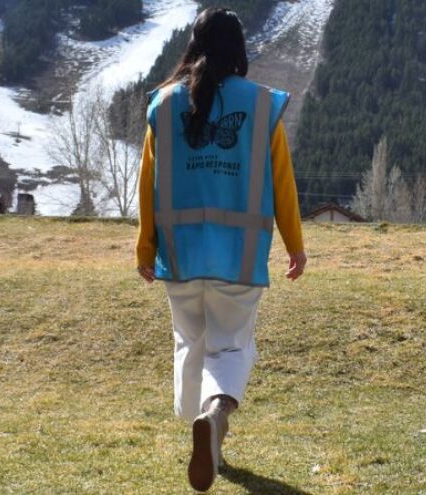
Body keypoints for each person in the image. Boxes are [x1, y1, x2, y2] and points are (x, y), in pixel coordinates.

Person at [134, 7, 307, 492]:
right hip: (239, 256)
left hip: (180, 256)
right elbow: (282, 184)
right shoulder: (260, 105)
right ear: (240, 50)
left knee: (190, 344)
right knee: (231, 347)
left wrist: (146, 248)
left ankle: (203, 430)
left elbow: (147, 185)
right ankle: (215, 419)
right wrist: (295, 244)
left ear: (193, 45)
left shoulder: (162, 104)